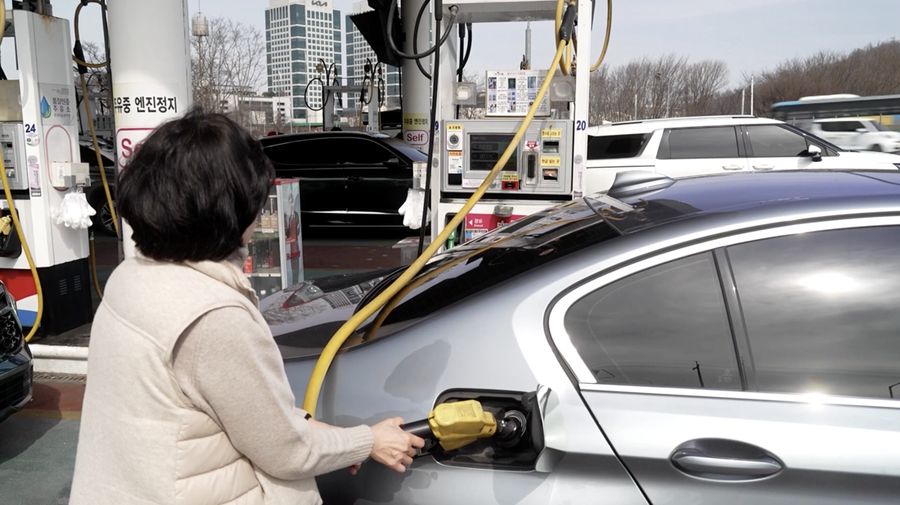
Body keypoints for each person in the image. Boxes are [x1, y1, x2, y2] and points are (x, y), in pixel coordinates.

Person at [70, 110, 424, 505]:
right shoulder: (213, 316)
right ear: (230, 209)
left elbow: (237, 412)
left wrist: (321, 433)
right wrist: (367, 440)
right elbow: (287, 452)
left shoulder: (130, 277)